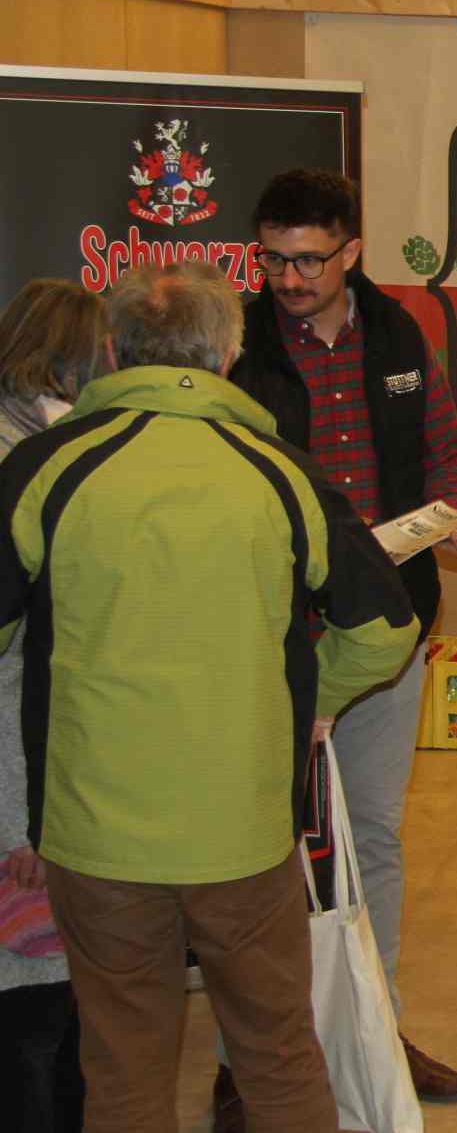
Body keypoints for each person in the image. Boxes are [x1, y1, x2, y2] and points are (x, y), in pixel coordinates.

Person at [0, 262, 421, 1132]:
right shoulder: (282, 472)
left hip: (93, 830)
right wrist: (309, 705)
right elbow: (386, 625)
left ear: (111, 352)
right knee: (277, 1053)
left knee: (123, 1063)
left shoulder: (46, 466)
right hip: (243, 831)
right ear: (229, 355)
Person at [221, 167, 457, 1127]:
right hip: (270, 637)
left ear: (352, 252)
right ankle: (249, 1059)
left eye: (308, 260)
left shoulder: (397, 334)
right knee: (257, 849)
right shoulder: (236, 345)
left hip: (385, 630)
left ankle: (378, 1028)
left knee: (372, 834)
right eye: (273, 260)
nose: (289, 280)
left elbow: (441, 446)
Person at [0, 279, 106, 1133]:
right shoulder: (31, 466)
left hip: (44, 787)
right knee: (38, 1026)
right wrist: (22, 824)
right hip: (26, 800)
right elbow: (12, 674)